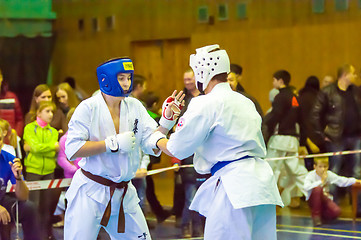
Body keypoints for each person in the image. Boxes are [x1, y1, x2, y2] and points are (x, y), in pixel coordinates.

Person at [156, 44, 283, 239]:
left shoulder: (205, 102)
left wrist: (158, 134)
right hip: (261, 186)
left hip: (234, 188)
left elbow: (176, 148)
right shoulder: (245, 101)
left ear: (203, 72)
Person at [64, 57, 184, 239]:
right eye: (121, 78)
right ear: (106, 79)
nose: (127, 83)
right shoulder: (88, 108)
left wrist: (166, 123)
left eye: (129, 77)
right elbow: (72, 149)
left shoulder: (135, 106)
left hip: (124, 193)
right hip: (90, 192)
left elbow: (151, 139)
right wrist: (111, 143)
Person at [263, 70, 308, 207]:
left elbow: (274, 116)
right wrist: (302, 142)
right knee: (296, 171)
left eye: (274, 80)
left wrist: (262, 123)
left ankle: (266, 201)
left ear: (280, 81)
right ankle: (316, 188)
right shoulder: (295, 97)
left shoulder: (280, 97)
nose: (273, 83)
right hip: (293, 141)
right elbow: (302, 121)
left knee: (269, 170)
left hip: (279, 140)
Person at [23, 101, 60, 239]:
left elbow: (52, 153)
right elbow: (35, 147)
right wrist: (51, 146)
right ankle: (32, 236)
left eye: (52, 112)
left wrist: (41, 148)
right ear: (38, 113)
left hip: (49, 171)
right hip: (33, 171)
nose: (51, 114)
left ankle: (45, 236)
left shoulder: (54, 131)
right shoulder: (29, 128)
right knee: (33, 206)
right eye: (47, 111)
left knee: (46, 208)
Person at [0, 127, 41, 240]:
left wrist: (18, 178)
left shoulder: (9, 159)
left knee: (29, 208)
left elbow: (23, 197)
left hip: (2, 200)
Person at [303, 156, 361, 226]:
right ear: (315, 167)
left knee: (336, 212)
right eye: (320, 166)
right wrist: (321, 181)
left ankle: (323, 215)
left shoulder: (329, 174)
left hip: (325, 198)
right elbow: (306, 187)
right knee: (317, 189)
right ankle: (316, 216)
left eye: (325, 167)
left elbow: (341, 180)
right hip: (313, 199)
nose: (323, 169)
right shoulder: (310, 175)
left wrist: (355, 181)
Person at [0, 69, 24, 137]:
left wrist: (16, 135)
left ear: (1, 78)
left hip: (9, 141)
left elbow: (19, 120)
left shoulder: (11, 97)